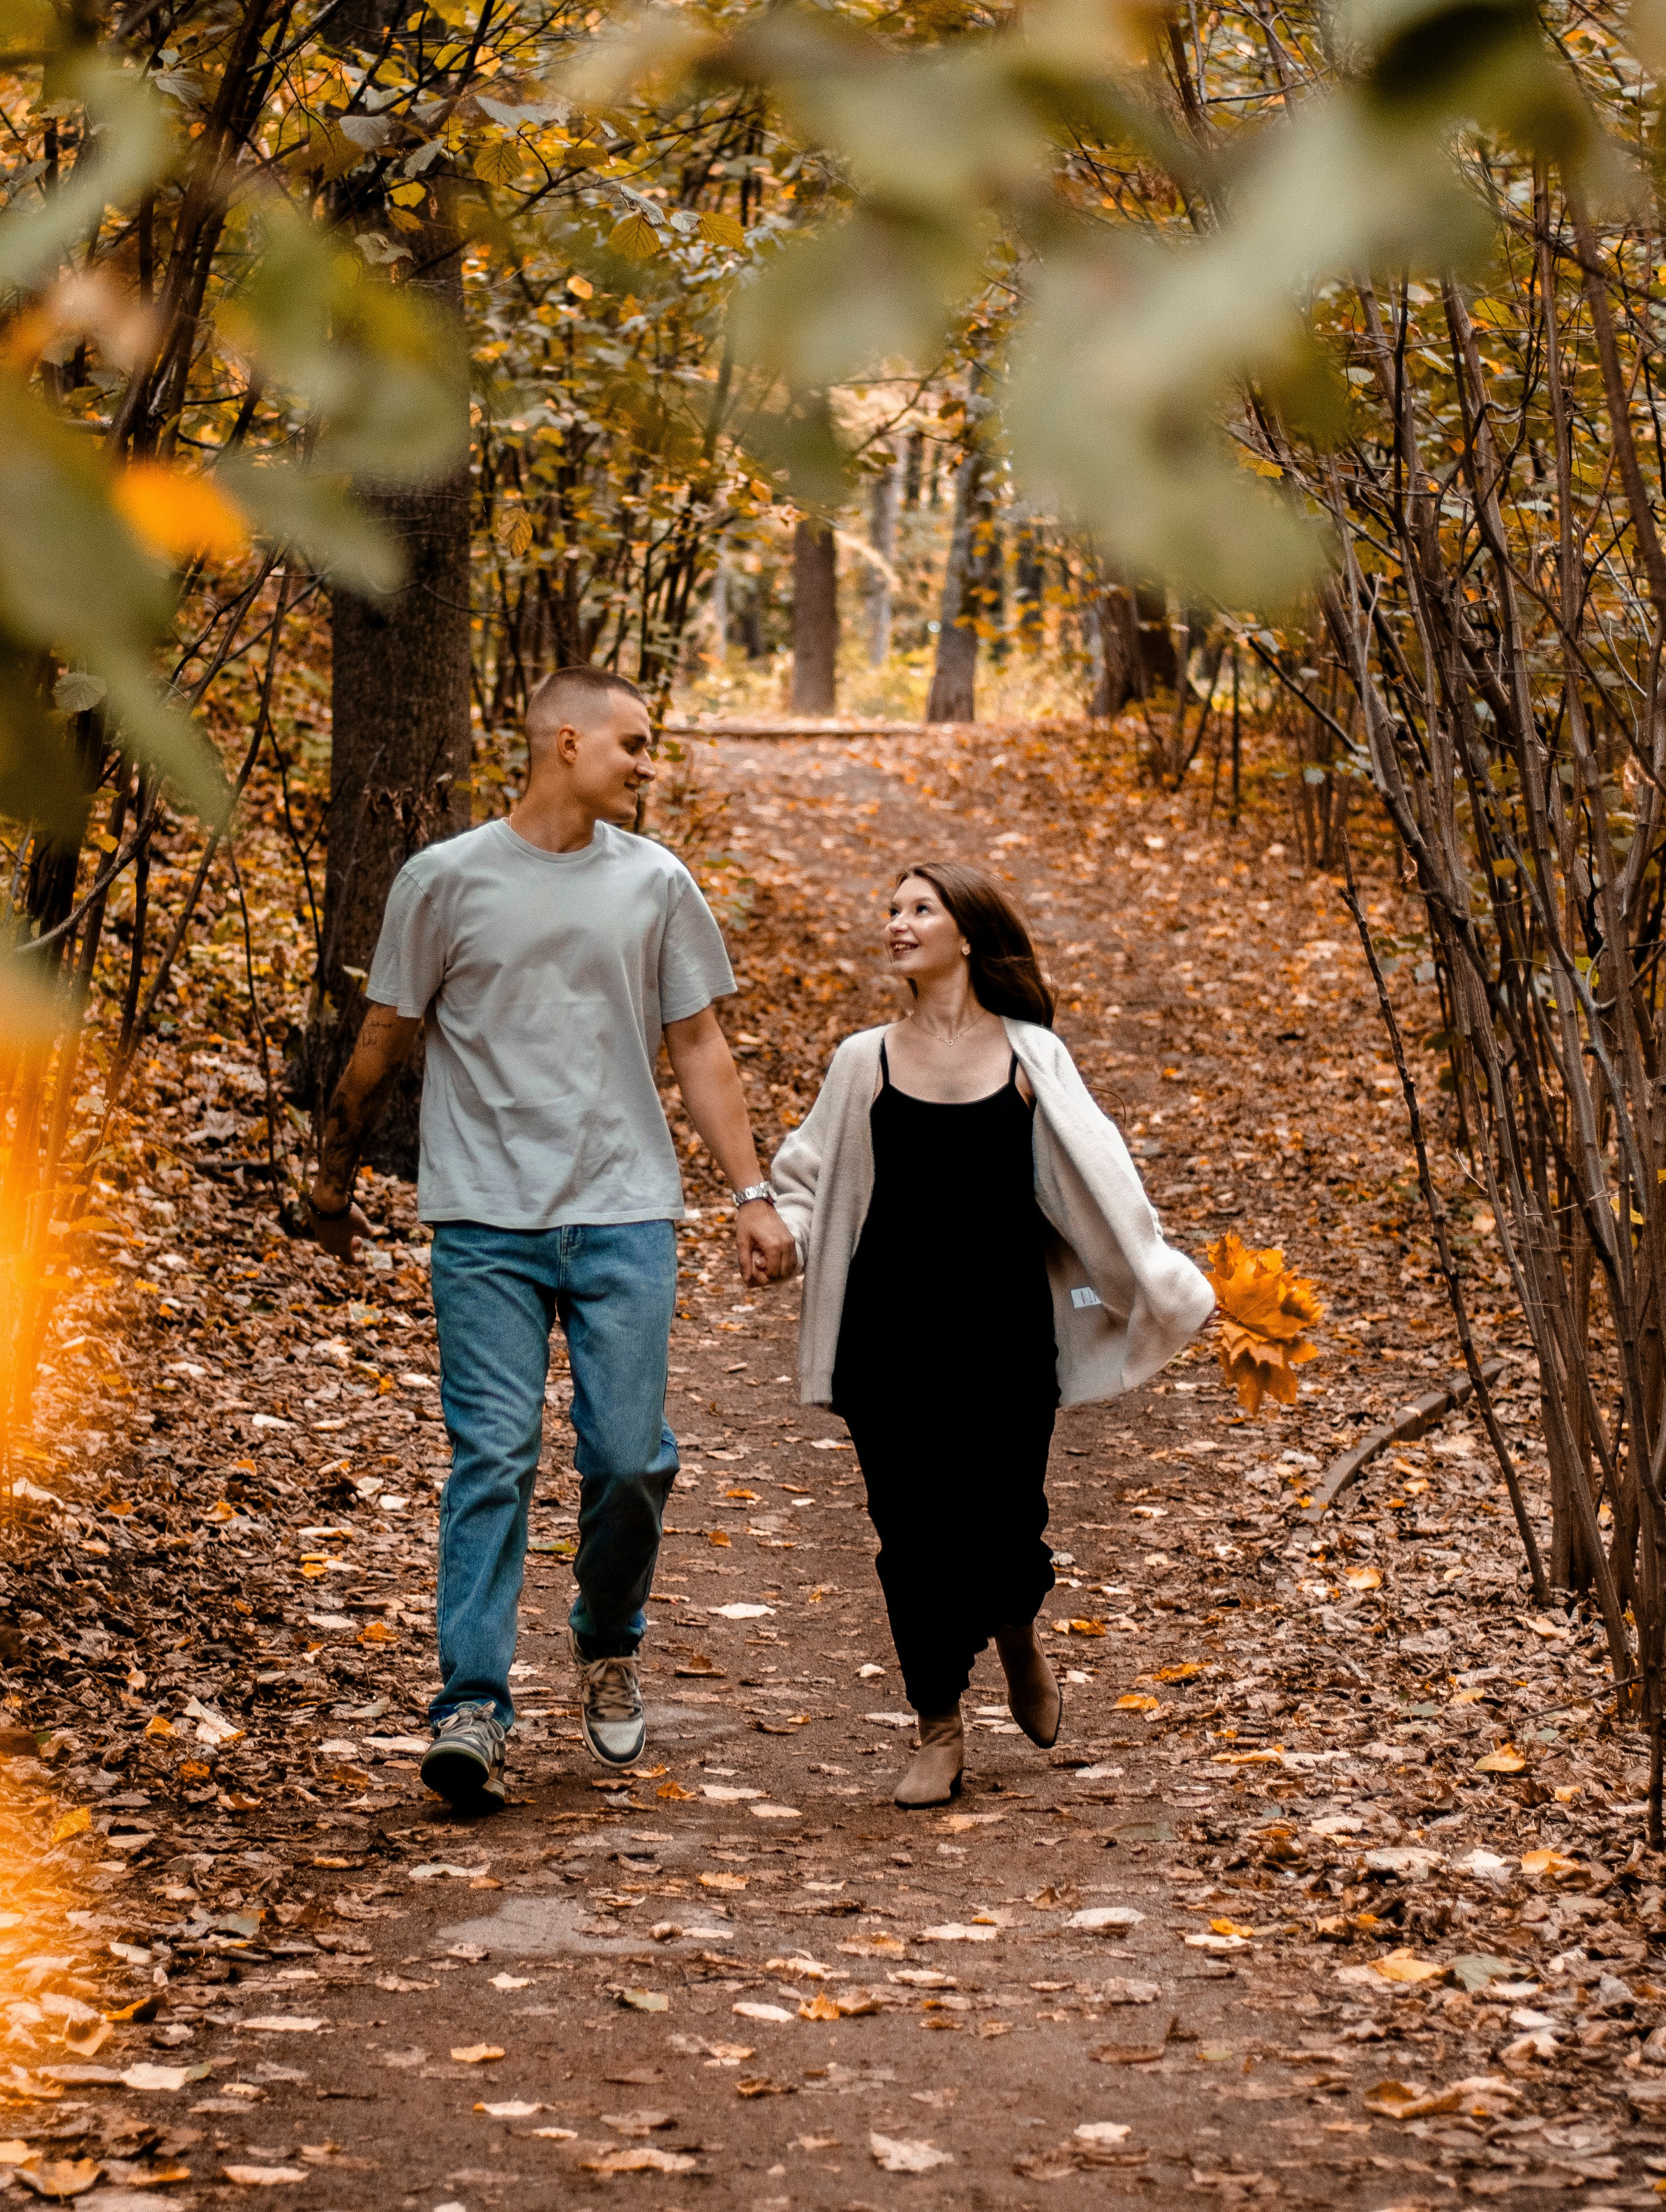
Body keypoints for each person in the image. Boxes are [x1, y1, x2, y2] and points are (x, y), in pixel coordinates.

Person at [308, 665, 797, 1816]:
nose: (646, 763)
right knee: (494, 1458)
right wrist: (332, 1164)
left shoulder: (656, 883)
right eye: (633, 743)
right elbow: (386, 1031)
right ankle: (472, 1702)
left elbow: (702, 1048)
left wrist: (751, 1191)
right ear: (564, 742)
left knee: (629, 1460)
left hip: (626, 1209)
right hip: (484, 1219)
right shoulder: (447, 879)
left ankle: (606, 1632)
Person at [771, 862, 1212, 1809]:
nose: (897, 921)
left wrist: (1161, 1279)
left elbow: (1104, 1182)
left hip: (1006, 1327)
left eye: (919, 908)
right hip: (887, 1329)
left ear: (966, 934)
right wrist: (785, 1236)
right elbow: (808, 1176)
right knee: (911, 1532)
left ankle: (1016, 1623)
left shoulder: (1030, 1056)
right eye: (891, 907)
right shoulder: (864, 1061)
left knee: (1008, 1519)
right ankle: (938, 1724)